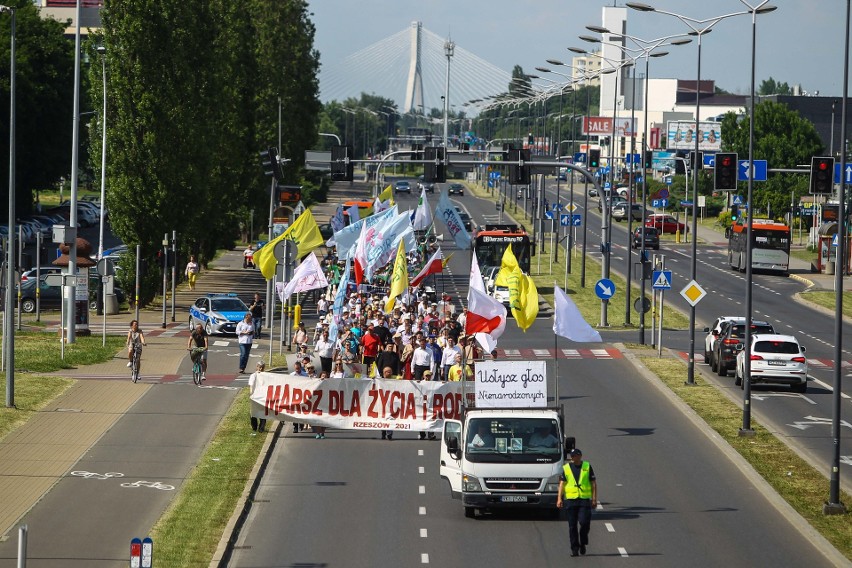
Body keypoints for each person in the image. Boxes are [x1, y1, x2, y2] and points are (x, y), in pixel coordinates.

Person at [557, 448, 597, 557]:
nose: (573, 458)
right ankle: (575, 549)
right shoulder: (566, 468)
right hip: (571, 500)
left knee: (584, 522)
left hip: (584, 499)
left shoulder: (587, 466)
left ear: (580, 456)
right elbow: (562, 484)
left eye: (575, 456)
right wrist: (559, 499)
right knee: (572, 526)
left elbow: (593, 483)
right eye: (572, 456)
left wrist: (594, 499)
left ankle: (583, 541)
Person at [248, 361, 267, 432]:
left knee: (262, 412)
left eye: (262, 367)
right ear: (257, 367)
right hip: (255, 396)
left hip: (263, 396)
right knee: (253, 412)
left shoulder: (266, 376)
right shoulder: (253, 376)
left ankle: (261, 428)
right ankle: (254, 427)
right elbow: (251, 386)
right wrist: (251, 394)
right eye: (259, 367)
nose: (261, 368)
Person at [380, 366, 396, 440]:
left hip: (392, 403)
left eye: (390, 371)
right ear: (383, 373)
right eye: (387, 372)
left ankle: (389, 433)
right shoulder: (379, 381)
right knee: (383, 418)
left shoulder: (395, 380)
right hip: (382, 403)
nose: (388, 373)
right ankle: (383, 432)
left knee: (390, 418)